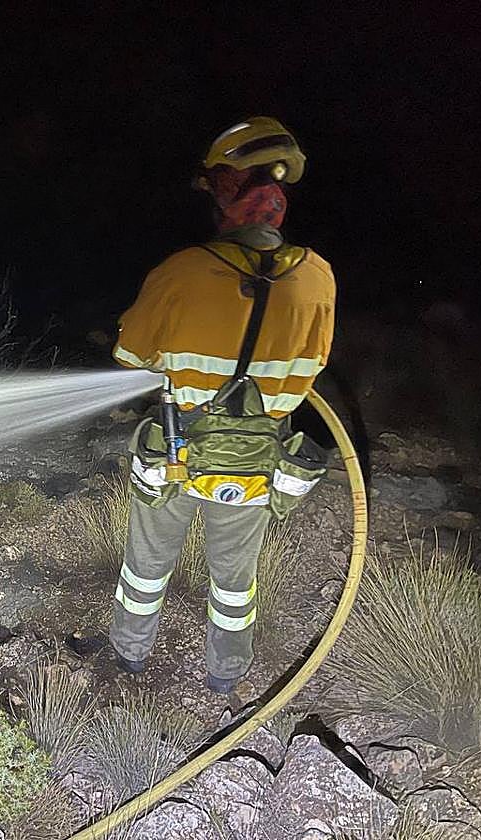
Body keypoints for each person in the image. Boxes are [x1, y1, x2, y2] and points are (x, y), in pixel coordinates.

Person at [110, 117, 336, 693]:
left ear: (226, 194)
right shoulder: (318, 279)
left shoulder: (183, 270)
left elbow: (130, 356)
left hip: (176, 451)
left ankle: (129, 655)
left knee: (146, 563)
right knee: (235, 579)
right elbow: (315, 366)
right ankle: (226, 673)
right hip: (257, 463)